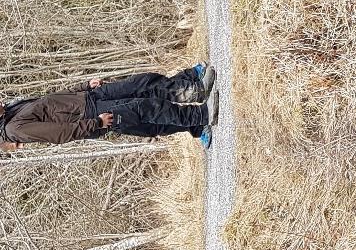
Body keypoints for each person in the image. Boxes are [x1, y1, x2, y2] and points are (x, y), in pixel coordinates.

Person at [0, 64, 219, 153]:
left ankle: (193, 88)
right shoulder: (14, 129)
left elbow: (51, 101)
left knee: (142, 83)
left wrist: (83, 87)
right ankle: (201, 116)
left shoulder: (12, 109)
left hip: (89, 97)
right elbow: (59, 133)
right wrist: (97, 123)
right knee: (146, 111)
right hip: (91, 115)